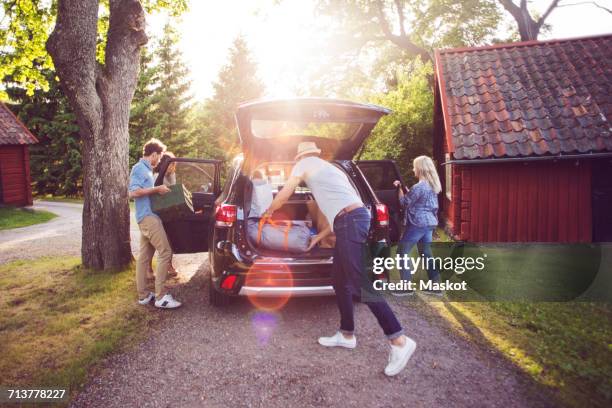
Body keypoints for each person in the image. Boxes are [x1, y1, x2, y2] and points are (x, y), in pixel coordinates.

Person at [263, 141, 416, 376]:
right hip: (351, 219)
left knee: (358, 282)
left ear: (300, 158)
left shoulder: (304, 164)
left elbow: (285, 193)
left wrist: (269, 210)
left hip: (351, 221)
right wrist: (320, 237)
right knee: (339, 280)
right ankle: (346, 334)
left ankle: (399, 340)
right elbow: (342, 207)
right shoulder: (332, 169)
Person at [129, 138, 182, 309]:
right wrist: (156, 189)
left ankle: (143, 295)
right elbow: (133, 192)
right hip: (148, 218)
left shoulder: (147, 170)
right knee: (165, 251)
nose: (159, 161)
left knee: (144, 258)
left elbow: (146, 193)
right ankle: (161, 297)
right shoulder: (139, 169)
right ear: (153, 155)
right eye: (158, 158)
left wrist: (159, 193)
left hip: (147, 217)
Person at [392, 155, 442, 297]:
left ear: (419, 168)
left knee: (402, 252)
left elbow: (404, 203)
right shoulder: (433, 185)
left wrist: (399, 189)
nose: (413, 169)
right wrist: (406, 189)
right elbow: (417, 199)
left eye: (414, 166)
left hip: (418, 223)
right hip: (429, 222)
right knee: (426, 253)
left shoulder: (419, 187)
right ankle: (436, 286)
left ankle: (406, 287)